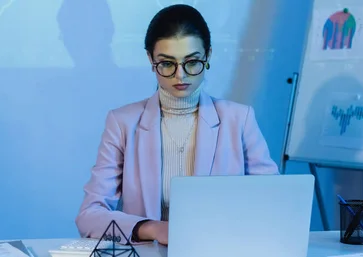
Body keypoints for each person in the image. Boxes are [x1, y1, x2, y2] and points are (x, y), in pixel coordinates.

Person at [74, 4, 279, 246]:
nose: (180, 76)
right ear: (151, 59)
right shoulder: (123, 123)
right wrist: (152, 228)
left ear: (208, 55)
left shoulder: (239, 119)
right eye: (167, 64)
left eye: (192, 62)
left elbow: (273, 203)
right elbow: (88, 217)